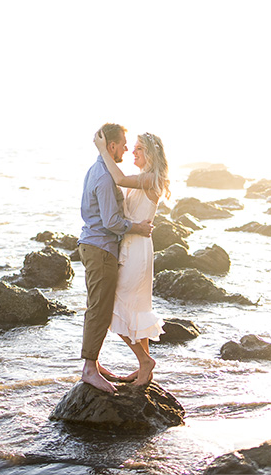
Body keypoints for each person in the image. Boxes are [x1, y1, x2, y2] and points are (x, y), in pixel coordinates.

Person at [78, 123, 153, 393]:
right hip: (101, 248)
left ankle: (93, 364)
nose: (125, 149)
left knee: (97, 306)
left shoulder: (98, 169)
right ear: (111, 146)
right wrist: (138, 228)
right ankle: (89, 369)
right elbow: (111, 221)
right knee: (100, 309)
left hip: (96, 246)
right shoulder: (106, 176)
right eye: (123, 144)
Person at [93, 128, 171, 387]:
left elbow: (118, 178)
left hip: (137, 250)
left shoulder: (150, 179)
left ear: (149, 153)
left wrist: (103, 149)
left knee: (119, 307)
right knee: (136, 309)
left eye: (138, 148)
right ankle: (143, 368)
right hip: (134, 246)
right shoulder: (146, 178)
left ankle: (146, 362)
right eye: (133, 147)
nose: (133, 152)